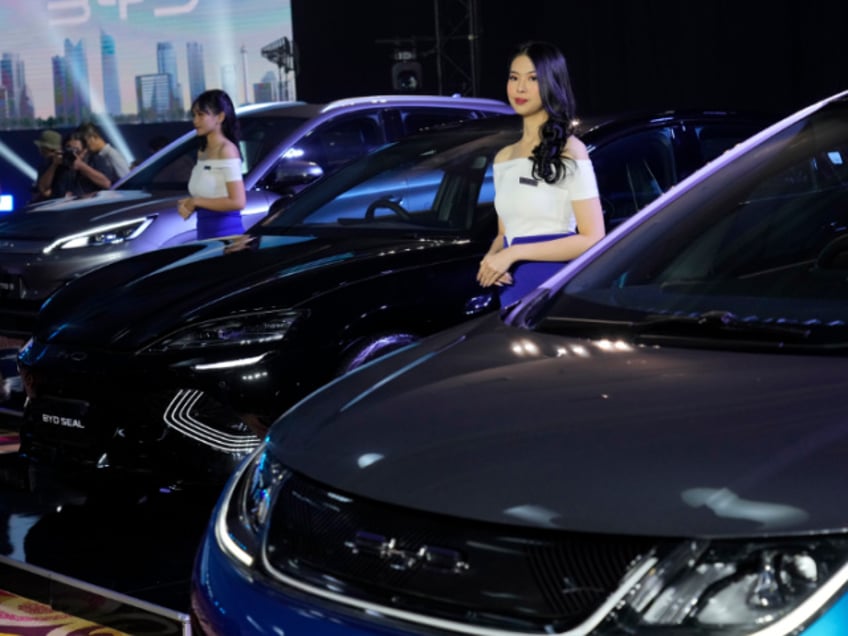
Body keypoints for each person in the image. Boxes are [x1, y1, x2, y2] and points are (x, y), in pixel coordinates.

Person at [476, 41, 606, 308]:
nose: (520, 88)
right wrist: (492, 258)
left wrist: (514, 253)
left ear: (551, 84)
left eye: (532, 79)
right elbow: (505, 232)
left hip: (554, 284)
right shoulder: (504, 157)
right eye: (514, 78)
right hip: (511, 287)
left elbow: (593, 238)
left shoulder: (571, 150)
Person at [177, 89, 246, 239]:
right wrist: (189, 204)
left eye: (201, 115)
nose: (195, 121)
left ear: (220, 117)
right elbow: (210, 195)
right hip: (205, 235)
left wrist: (195, 201)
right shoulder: (202, 151)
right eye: (194, 115)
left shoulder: (227, 150)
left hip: (228, 238)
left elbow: (238, 202)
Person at [73, 122, 130, 193]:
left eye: (85, 141)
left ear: (93, 137)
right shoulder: (95, 156)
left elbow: (126, 179)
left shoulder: (112, 155)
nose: (86, 146)